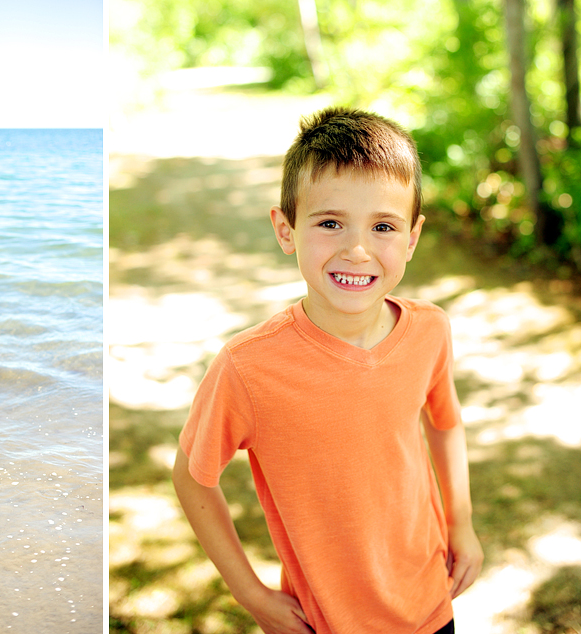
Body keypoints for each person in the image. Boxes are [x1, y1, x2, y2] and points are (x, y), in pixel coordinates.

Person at [172, 107, 483, 634]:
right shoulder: (249, 367)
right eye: (330, 222)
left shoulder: (430, 330)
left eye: (383, 226)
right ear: (286, 228)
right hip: (325, 620)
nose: (356, 250)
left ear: (411, 237)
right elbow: (192, 477)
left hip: (429, 602)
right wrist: (250, 593)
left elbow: (445, 422)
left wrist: (462, 523)